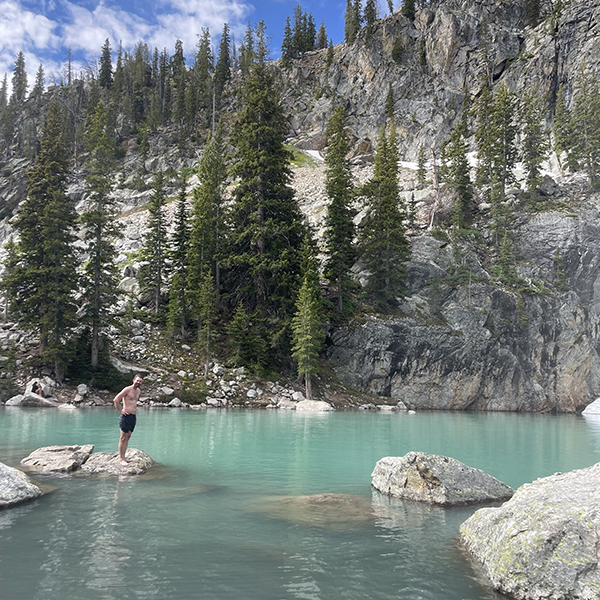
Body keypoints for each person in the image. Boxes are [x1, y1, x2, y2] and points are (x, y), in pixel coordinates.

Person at [113, 375, 143, 466]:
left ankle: (124, 457)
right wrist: (120, 411)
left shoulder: (138, 391)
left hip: (133, 416)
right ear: (133, 380)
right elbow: (116, 399)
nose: (138, 382)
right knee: (123, 437)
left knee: (128, 436)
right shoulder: (127, 389)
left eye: (140, 381)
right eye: (137, 380)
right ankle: (121, 459)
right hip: (125, 416)